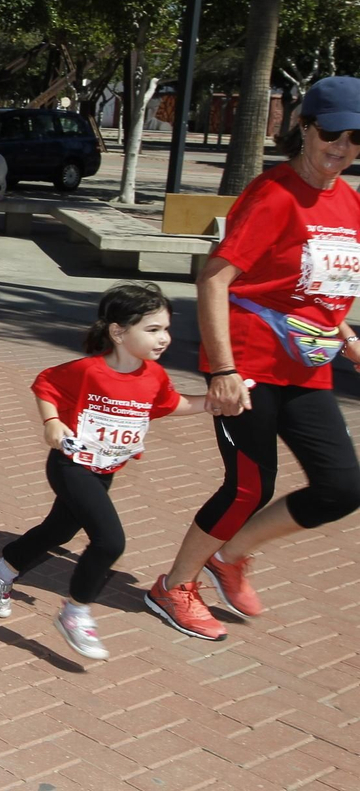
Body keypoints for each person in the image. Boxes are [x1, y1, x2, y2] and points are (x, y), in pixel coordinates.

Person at [146, 75, 360, 641]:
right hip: (248, 365)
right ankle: (174, 585)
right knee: (248, 487)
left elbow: (319, 289)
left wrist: (348, 338)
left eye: (357, 138)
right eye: (332, 133)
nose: (342, 147)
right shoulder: (274, 194)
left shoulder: (348, 200)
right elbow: (215, 279)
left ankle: (230, 555)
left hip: (307, 367)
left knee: (342, 487)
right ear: (305, 128)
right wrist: (223, 370)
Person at [0, 283, 207, 660]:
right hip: (70, 465)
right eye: (152, 329)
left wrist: (212, 403)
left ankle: (0, 569)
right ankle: (76, 611)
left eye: (166, 329)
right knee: (110, 542)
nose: (164, 338)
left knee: (60, 530)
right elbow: (46, 384)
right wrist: (52, 422)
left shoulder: (154, 376)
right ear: (118, 332)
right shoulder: (89, 371)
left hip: (105, 469)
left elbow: (171, 403)